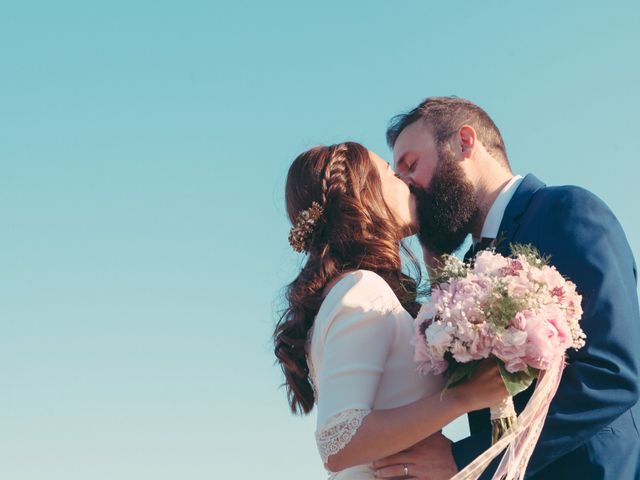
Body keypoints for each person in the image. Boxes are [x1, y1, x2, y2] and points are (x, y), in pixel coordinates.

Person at [373, 97, 640, 480]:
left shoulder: (566, 210)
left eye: (411, 166)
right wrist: (432, 253)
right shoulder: (465, 269)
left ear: (464, 142)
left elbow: (611, 373)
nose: (407, 186)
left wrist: (466, 459)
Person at [273, 142, 508, 479]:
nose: (404, 180)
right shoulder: (361, 289)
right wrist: (464, 398)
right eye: (389, 172)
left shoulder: (361, 290)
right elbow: (338, 442)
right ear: (365, 195)